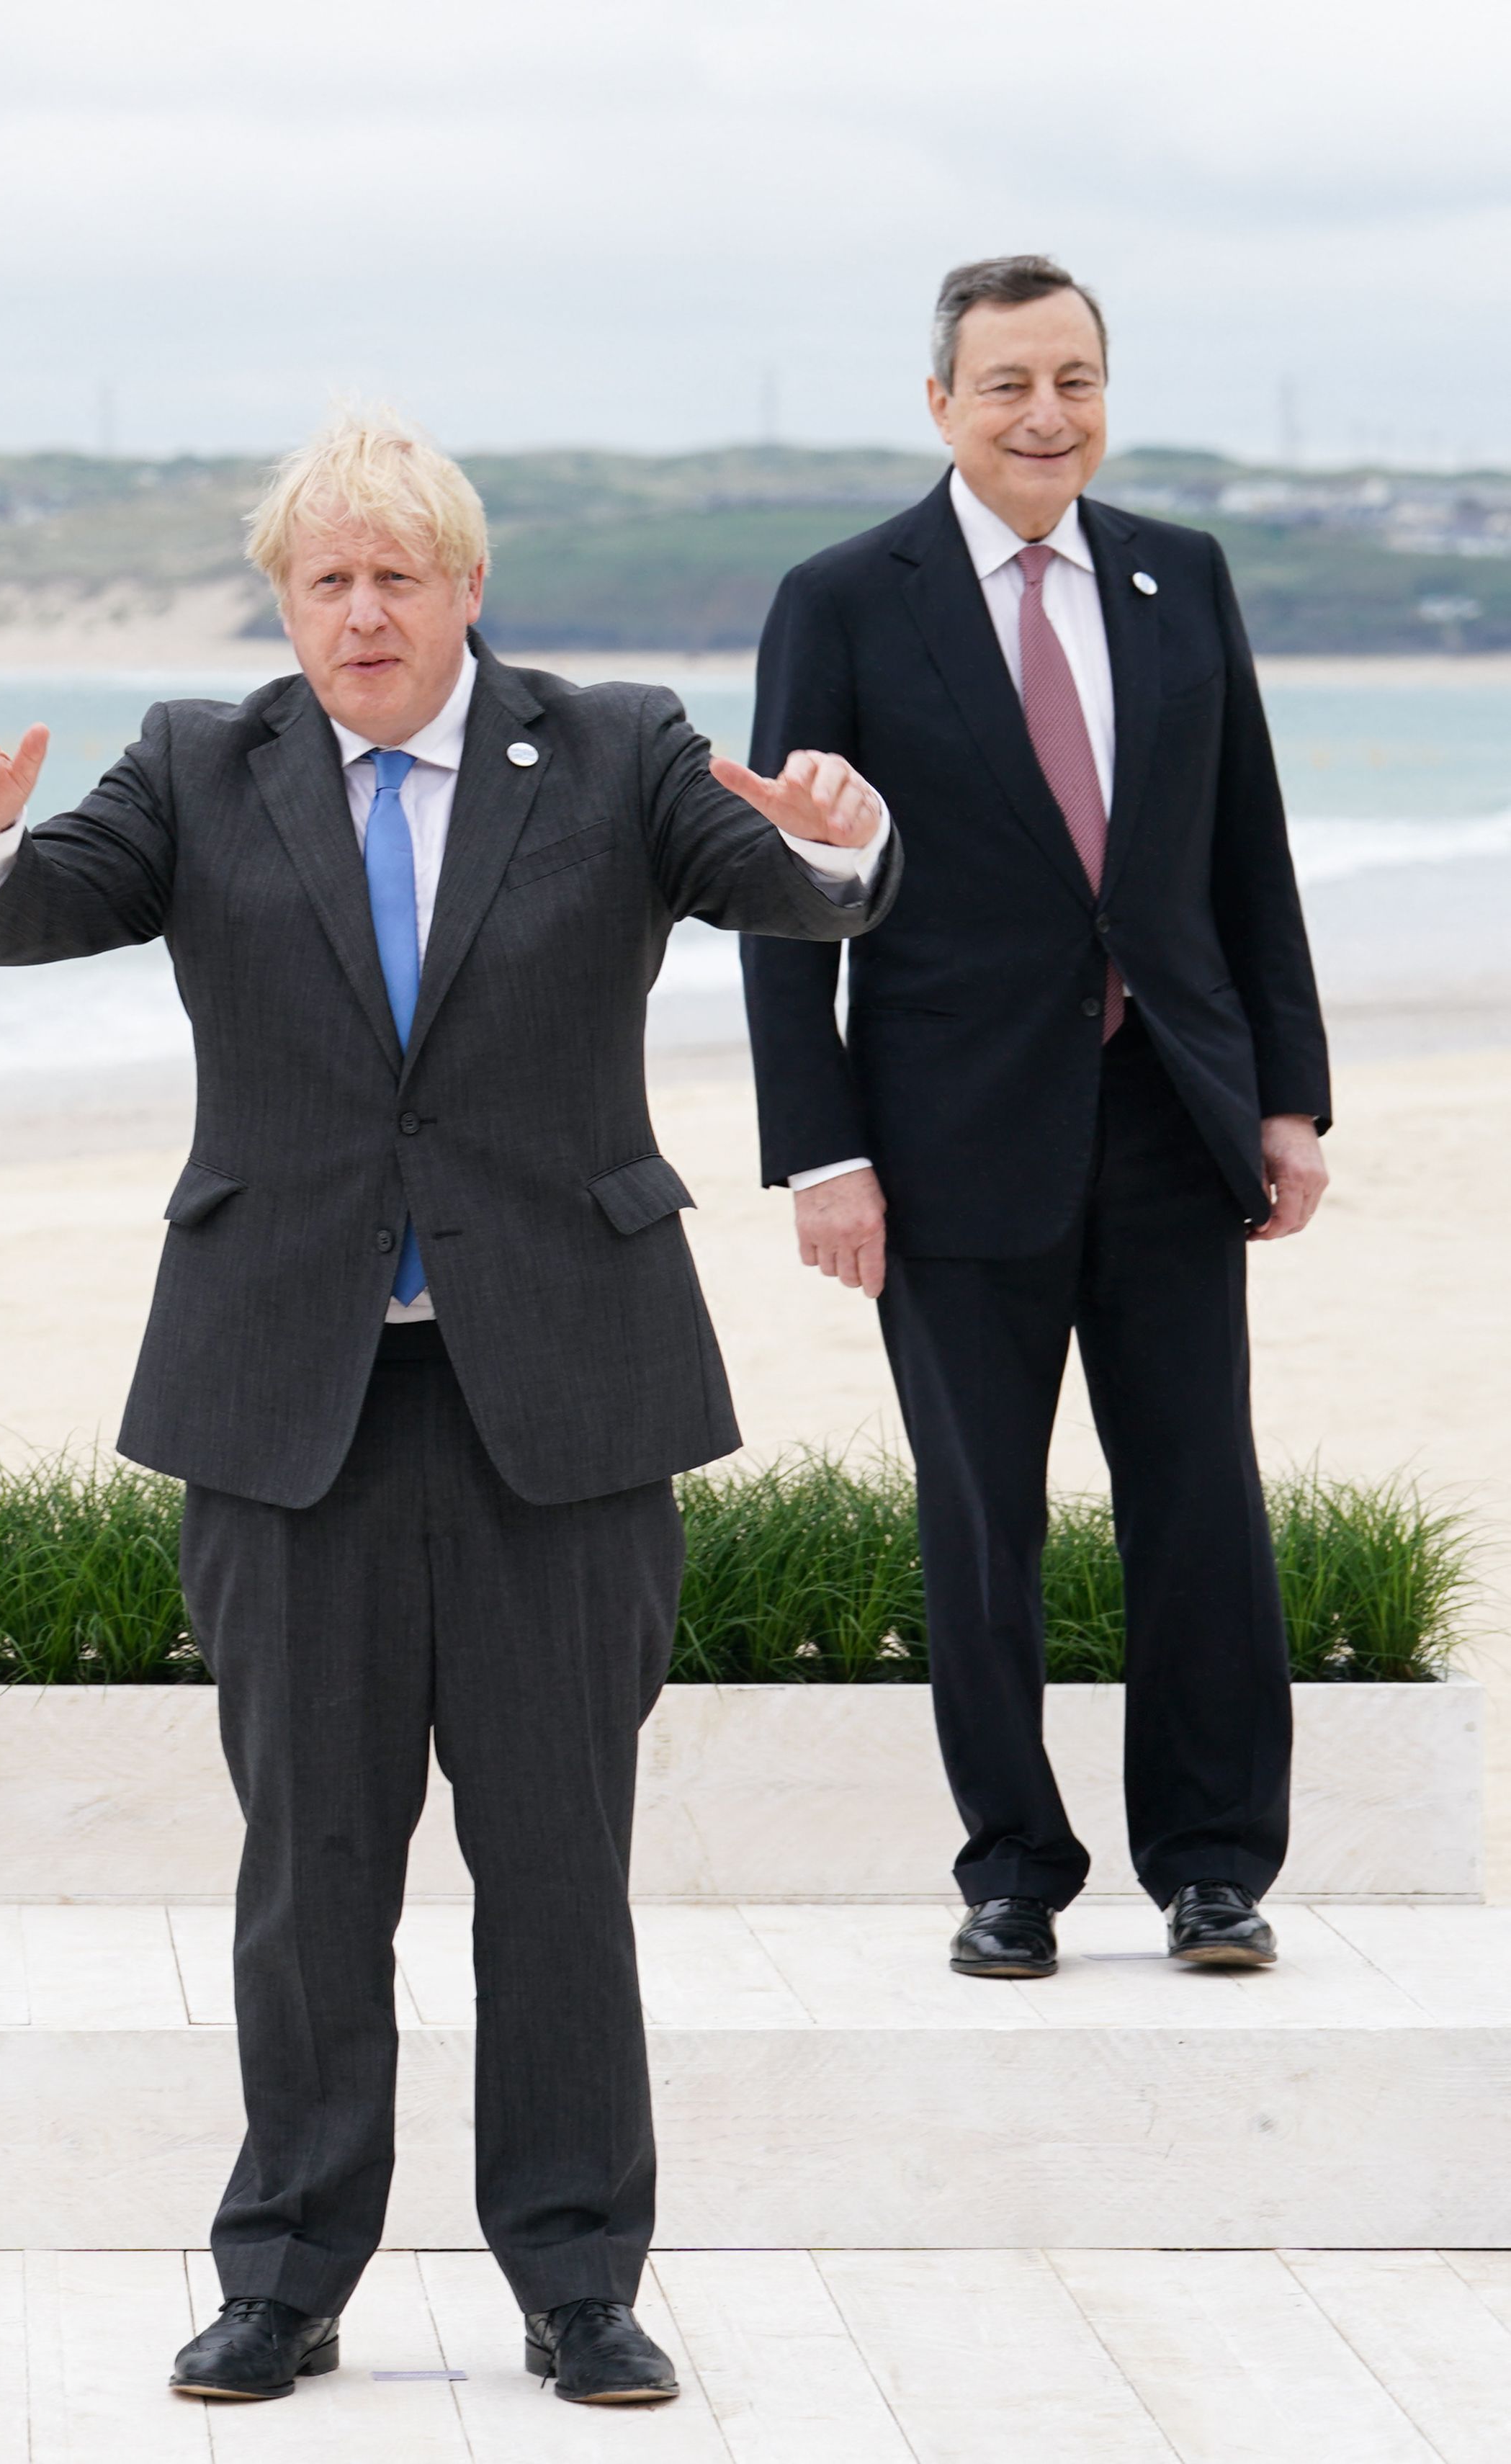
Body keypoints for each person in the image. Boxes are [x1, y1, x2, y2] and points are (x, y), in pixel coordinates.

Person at [0, 406, 897, 2408]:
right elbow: (31, 908)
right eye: (323, 579)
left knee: (555, 1861)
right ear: (284, 599)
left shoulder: (611, 742)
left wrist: (837, 834)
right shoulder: (201, 760)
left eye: (396, 575)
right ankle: (280, 2272)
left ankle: (575, 2279)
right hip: (288, 1395)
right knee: (310, 1863)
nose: (359, 611)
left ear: (466, 587)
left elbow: (791, 893)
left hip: (564, 1394)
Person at [740, 255, 1330, 1981]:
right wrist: (822, 1149)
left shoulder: (1177, 574)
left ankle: (1213, 1866)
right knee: (980, 1518)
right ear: (939, 404)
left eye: (1071, 379)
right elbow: (788, 886)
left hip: (1169, 1113)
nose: (1042, 414)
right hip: (945, 1138)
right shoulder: (845, 598)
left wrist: (1285, 1099)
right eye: (1006, 384)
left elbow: (1246, 856)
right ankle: (1012, 1869)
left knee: (1198, 1504)